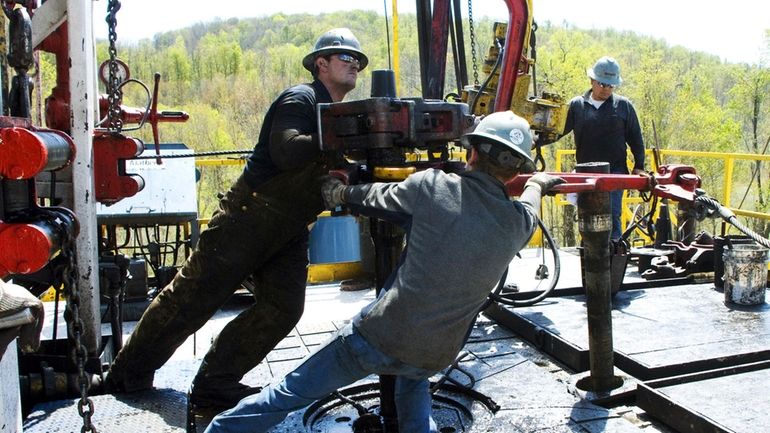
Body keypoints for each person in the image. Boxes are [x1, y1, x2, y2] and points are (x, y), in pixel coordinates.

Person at [203, 111, 566, 433]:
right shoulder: (518, 224)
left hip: (378, 336)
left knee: (290, 393)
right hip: (436, 352)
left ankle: (220, 431)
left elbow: (375, 197)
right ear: (517, 170)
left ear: (471, 152)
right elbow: (530, 209)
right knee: (413, 378)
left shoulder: (432, 186)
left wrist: (340, 191)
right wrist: (536, 185)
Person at [105, 28, 369, 409]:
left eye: (358, 61)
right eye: (345, 58)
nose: (355, 65)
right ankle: (125, 378)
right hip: (247, 219)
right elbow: (286, 151)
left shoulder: (335, 115)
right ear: (321, 64)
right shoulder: (302, 98)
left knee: (283, 308)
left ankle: (216, 382)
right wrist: (345, 138)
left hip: (288, 228)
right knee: (190, 302)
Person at [562, 56, 645, 240]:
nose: (606, 89)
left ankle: (614, 255)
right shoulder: (577, 106)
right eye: (602, 84)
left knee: (612, 216)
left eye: (610, 85)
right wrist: (535, 140)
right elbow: (559, 130)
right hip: (586, 173)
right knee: (588, 217)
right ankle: (591, 256)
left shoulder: (623, 106)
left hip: (615, 173)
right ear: (592, 80)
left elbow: (636, 138)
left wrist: (639, 165)